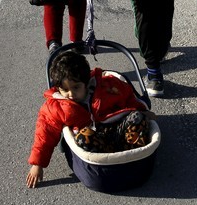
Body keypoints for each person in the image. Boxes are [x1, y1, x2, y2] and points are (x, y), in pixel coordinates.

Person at [26, 51, 156, 188]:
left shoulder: (108, 86)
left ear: (87, 83)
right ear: (58, 88)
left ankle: (132, 155)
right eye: (65, 90)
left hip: (117, 131)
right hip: (96, 141)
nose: (71, 94)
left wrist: (144, 111)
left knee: (137, 117)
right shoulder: (57, 106)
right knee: (83, 138)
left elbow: (128, 97)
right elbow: (45, 133)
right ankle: (111, 163)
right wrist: (37, 164)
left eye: (76, 87)